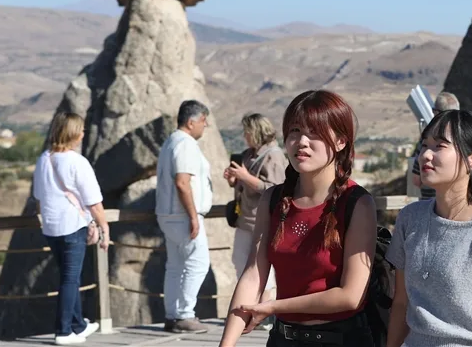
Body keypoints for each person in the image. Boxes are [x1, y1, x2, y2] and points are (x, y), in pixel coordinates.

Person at [219, 90, 378, 347]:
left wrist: (274, 306)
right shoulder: (272, 199)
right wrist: (226, 344)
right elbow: (253, 274)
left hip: (341, 340)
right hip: (282, 340)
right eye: (295, 131)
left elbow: (351, 296)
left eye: (314, 132)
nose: (302, 141)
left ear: (341, 141)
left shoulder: (357, 203)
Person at [386, 110, 472, 347]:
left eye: (439, 146)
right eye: (424, 145)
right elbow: (401, 302)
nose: (425, 155)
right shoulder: (410, 218)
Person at [32, 112, 109, 345]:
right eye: (81, 130)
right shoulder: (77, 162)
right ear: (73, 133)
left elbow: (38, 197)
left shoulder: (44, 159)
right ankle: (63, 331)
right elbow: (94, 201)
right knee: (70, 280)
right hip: (72, 227)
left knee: (69, 278)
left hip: (51, 227)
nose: (83, 134)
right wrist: (104, 226)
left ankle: (78, 325)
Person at [155, 100, 214, 334]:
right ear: (191, 122)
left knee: (175, 266)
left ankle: (172, 315)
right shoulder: (186, 144)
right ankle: (185, 314)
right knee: (198, 263)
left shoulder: (170, 142)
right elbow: (182, 182)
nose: (205, 125)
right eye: (203, 120)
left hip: (169, 214)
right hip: (183, 215)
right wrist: (193, 216)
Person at [224, 113, 288, 327]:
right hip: (245, 219)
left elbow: (275, 189)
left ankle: (265, 313)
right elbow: (243, 185)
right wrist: (234, 180)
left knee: (263, 269)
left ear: (257, 131)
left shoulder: (274, 156)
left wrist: (246, 177)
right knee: (240, 262)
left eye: (247, 132)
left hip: (264, 221)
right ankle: (249, 309)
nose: (244, 136)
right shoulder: (247, 155)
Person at [408, 91, 461, 199]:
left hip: (431, 203)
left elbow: (416, 180)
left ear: (436, 112)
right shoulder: (468, 138)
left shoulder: (427, 140)